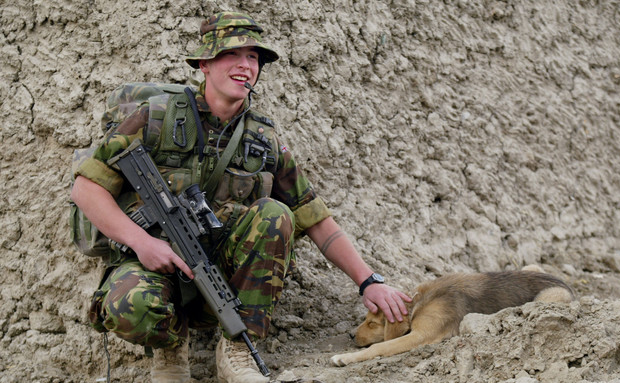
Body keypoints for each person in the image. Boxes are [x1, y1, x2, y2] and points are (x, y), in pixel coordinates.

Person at [71, 11, 411, 383]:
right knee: (129, 307)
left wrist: (368, 281)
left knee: (276, 213)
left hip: (223, 278)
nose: (245, 66)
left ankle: (236, 350)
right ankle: (169, 352)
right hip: (155, 267)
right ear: (204, 63)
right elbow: (86, 189)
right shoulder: (156, 117)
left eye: (253, 58)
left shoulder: (263, 140)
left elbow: (316, 219)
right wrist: (142, 243)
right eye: (231, 55)